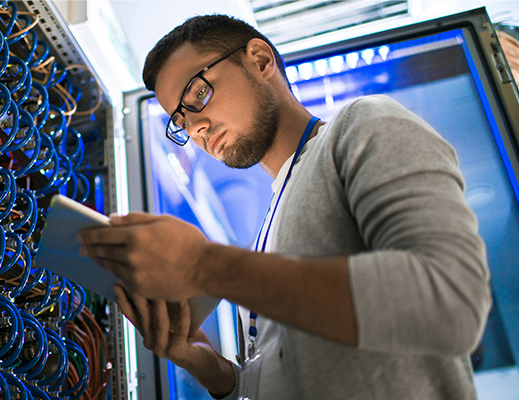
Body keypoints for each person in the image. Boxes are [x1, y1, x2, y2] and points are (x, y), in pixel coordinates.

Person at [77, 14, 491, 399]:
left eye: (198, 94)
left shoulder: (363, 125)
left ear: (259, 60)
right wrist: (211, 368)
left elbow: (449, 301)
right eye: (180, 122)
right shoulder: (267, 230)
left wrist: (206, 265)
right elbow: (279, 379)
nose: (196, 128)